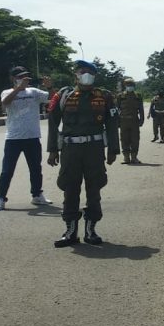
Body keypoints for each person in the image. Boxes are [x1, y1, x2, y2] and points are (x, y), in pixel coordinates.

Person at [46, 60, 120, 247]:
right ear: (75, 75)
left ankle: (91, 230)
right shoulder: (63, 95)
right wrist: (53, 150)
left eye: (89, 72)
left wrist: (113, 149)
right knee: (70, 189)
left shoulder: (105, 96)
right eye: (81, 71)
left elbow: (112, 123)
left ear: (94, 76)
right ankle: (70, 231)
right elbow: (53, 123)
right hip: (70, 150)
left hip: (94, 150)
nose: (85, 74)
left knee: (94, 189)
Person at [0, 66, 54, 210]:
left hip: (32, 137)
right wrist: (18, 89)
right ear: (13, 79)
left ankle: (37, 195)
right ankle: (1, 198)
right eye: (21, 77)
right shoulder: (7, 92)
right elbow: (5, 103)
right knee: (7, 170)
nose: (24, 79)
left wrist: (50, 87)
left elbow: (53, 98)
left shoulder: (34, 92)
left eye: (26, 76)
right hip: (13, 138)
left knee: (35, 169)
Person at [116, 77, 145, 164]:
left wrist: (142, 120)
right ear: (125, 86)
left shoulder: (138, 96)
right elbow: (116, 110)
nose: (130, 86)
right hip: (123, 121)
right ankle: (126, 158)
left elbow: (141, 109)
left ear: (134, 86)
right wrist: (117, 121)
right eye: (128, 85)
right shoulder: (120, 96)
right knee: (124, 140)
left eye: (131, 85)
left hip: (134, 121)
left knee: (135, 140)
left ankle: (134, 157)